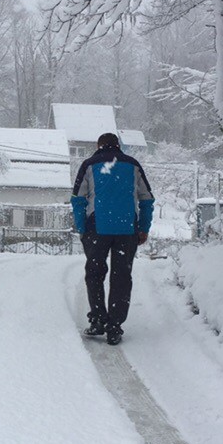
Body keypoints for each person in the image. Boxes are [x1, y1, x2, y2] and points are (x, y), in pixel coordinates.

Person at [71, 132, 154, 345]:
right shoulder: (133, 165)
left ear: (99, 146)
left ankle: (98, 319)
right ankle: (115, 326)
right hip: (127, 231)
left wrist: (82, 228)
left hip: (97, 229)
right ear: (118, 145)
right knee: (121, 277)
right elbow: (147, 199)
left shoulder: (89, 165)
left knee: (95, 274)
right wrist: (143, 228)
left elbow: (78, 200)